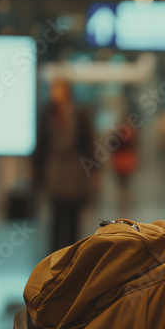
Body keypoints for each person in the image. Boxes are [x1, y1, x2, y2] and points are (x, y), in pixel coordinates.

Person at [34, 79, 97, 252]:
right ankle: (54, 254)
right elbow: (42, 145)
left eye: (57, 89)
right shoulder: (48, 113)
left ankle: (71, 252)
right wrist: (37, 173)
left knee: (73, 215)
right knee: (56, 215)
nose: (54, 93)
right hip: (54, 170)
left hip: (74, 170)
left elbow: (88, 143)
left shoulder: (79, 113)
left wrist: (93, 169)